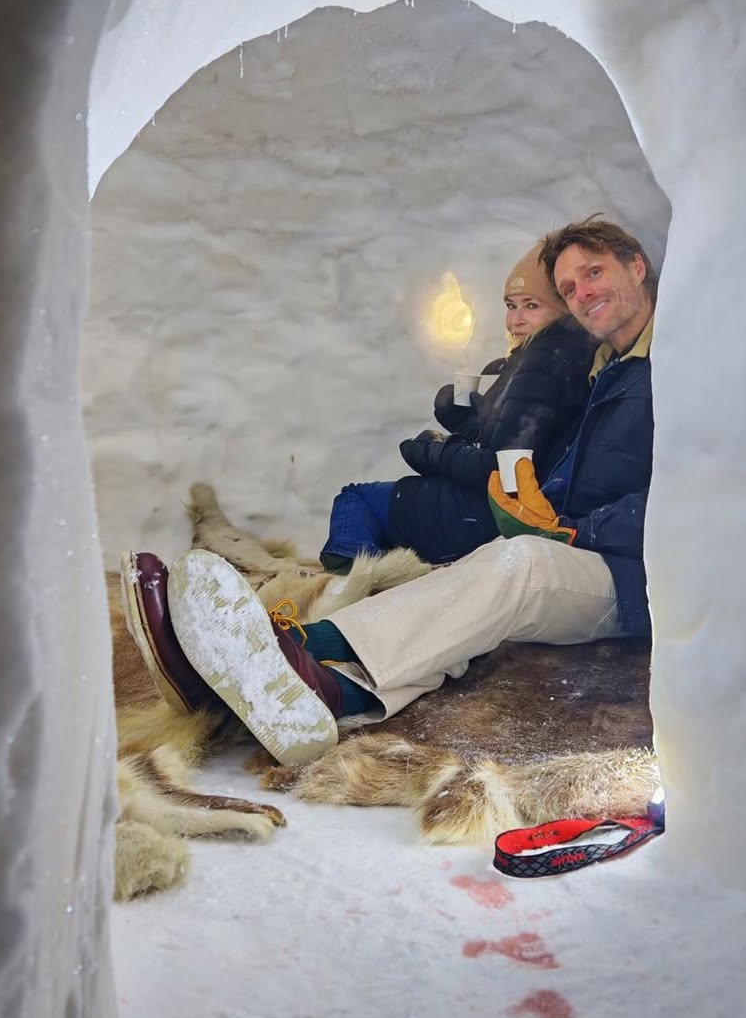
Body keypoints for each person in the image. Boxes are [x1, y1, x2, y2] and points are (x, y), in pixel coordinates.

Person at [133, 216, 657, 765]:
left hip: (631, 574)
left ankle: (305, 648)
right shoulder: (610, 367)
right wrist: (531, 503)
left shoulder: (669, 365)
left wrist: (574, 528)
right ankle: (324, 696)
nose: (583, 293)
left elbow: (688, 502)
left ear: (637, 266)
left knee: (517, 566)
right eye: (570, 287)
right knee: (471, 597)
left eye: (594, 273)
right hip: (577, 550)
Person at [319, 245, 597, 570]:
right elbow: (511, 440)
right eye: (511, 306)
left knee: (356, 499)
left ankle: (356, 592)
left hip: (481, 514)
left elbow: (502, 470)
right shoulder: (551, 357)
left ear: (560, 309)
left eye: (531, 306)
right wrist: (462, 418)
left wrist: (434, 453)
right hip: (485, 509)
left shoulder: (542, 364)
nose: (515, 319)